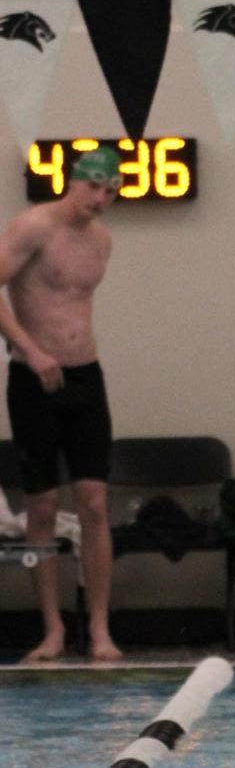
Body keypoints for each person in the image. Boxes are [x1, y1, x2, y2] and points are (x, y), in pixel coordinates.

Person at [0, 144, 124, 661]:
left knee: (94, 503)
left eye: (111, 192)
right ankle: (51, 628)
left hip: (85, 378)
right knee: (43, 506)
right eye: (94, 187)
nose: (100, 199)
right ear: (73, 181)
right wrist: (30, 350)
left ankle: (98, 628)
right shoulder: (33, 227)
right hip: (33, 380)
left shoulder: (102, 241)